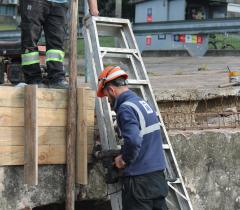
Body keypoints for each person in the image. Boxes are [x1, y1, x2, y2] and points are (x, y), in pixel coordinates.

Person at [96, 66, 168, 210]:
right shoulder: (141, 103)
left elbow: (134, 141)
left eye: (107, 97)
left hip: (139, 182)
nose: (109, 102)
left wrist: (123, 160)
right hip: (157, 177)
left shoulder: (125, 109)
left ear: (111, 90)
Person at [20, 0, 99, 88]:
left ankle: (56, 78)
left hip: (60, 3)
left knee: (56, 45)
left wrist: (93, 8)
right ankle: (33, 79)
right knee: (30, 41)